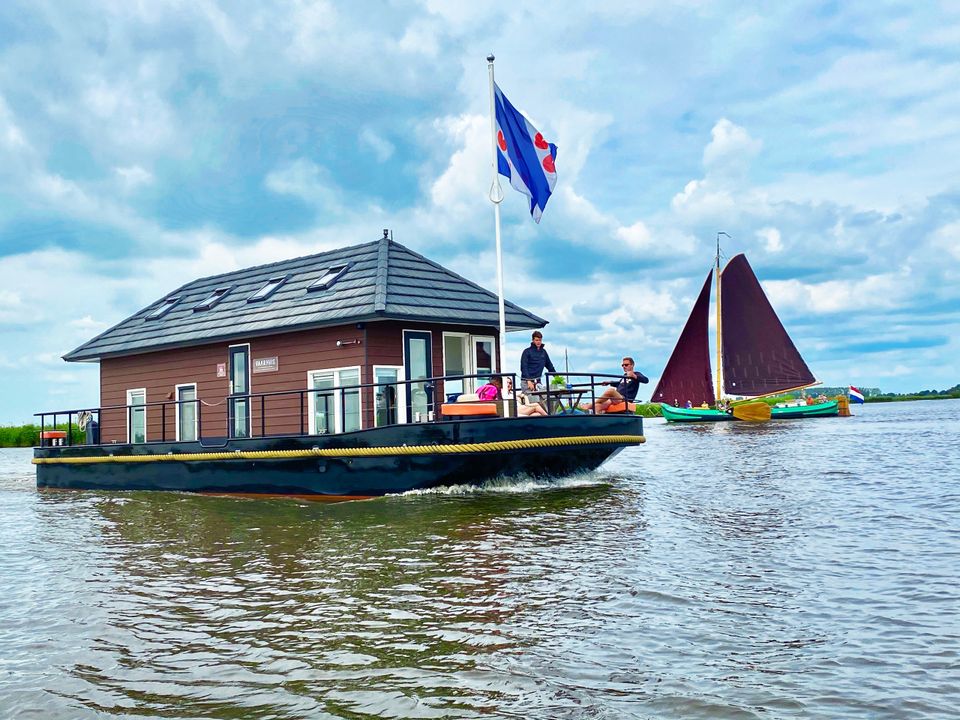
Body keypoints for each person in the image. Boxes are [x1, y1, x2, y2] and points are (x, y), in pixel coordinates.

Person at [583, 356, 649, 413]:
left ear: (632, 365)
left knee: (611, 391)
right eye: (622, 365)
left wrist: (634, 376)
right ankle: (595, 418)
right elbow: (619, 384)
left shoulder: (637, 374)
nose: (624, 366)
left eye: (626, 365)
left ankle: (590, 405)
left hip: (625, 398)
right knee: (598, 406)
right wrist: (609, 382)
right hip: (616, 397)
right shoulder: (624, 376)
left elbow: (646, 380)